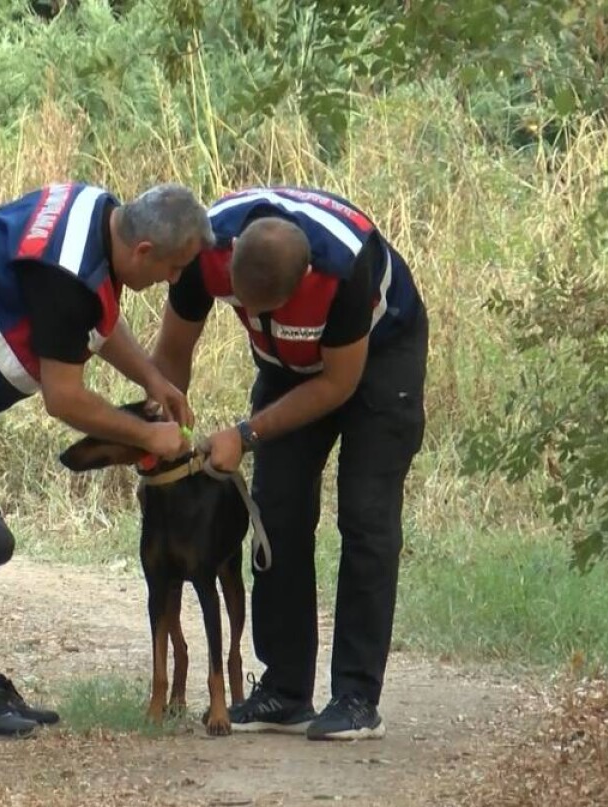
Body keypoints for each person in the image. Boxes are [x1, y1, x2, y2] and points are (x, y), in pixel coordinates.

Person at [0, 180, 212, 737]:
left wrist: (153, 377)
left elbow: (97, 319)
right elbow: (66, 398)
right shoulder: (69, 276)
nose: (174, 282)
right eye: (174, 268)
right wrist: (150, 439)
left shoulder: (96, 212)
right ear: (144, 252)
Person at [152, 186, 427, 741]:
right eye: (240, 304)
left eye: (262, 309)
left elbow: (338, 384)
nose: (247, 317)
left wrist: (247, 433)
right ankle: (284, 688)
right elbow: (174, 350)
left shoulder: (344, 268)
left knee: (366, 516)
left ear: (301, 283)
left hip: (378, 360)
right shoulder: (202, 247)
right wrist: (166, 425)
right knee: (275, 512)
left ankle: (354, 697)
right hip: (285, 364)